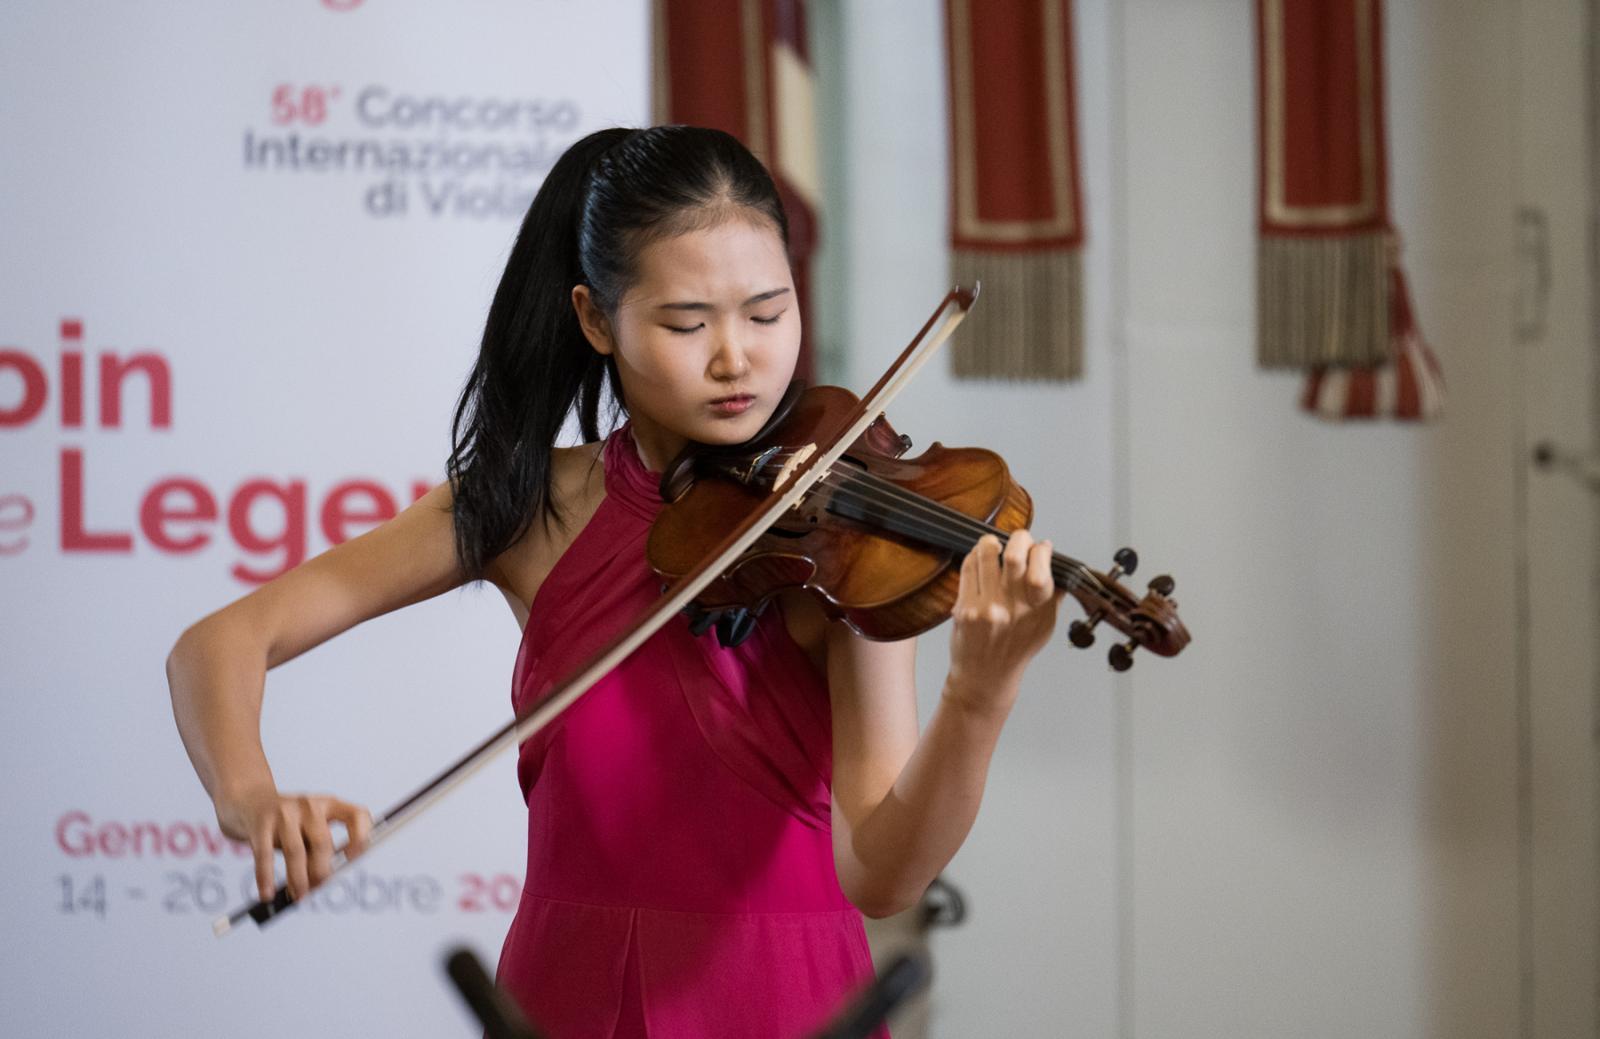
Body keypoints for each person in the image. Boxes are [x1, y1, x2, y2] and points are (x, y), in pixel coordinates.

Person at [166, 125, 1063, 1038]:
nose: (736, 358)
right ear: (597, 319)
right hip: (569, 997)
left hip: (790, 1003)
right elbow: (221, 642)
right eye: (687, 323)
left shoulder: (842, 543)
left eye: (767, 314)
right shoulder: (529, 508)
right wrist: (252, 797)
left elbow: (882, 874)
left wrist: (978, 696)